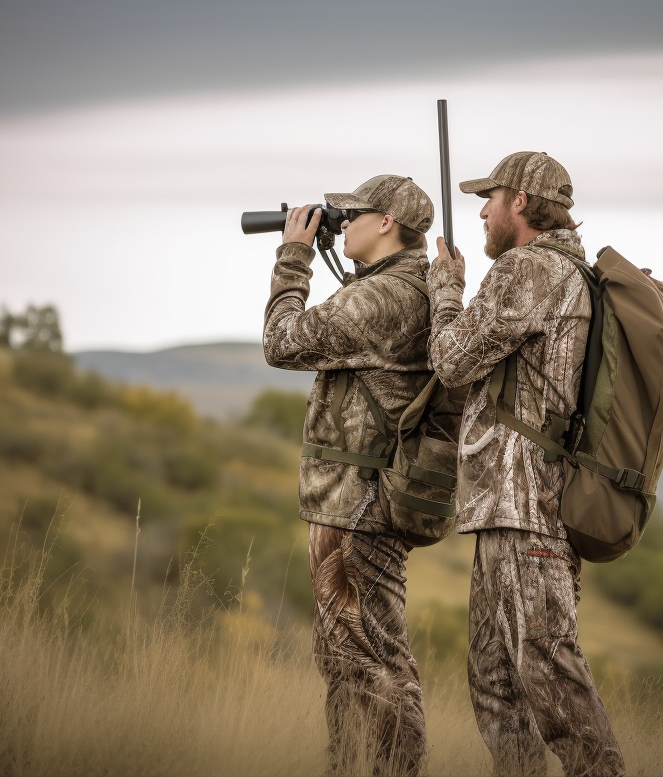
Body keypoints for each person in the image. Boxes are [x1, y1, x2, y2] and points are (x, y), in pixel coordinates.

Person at [427, 152, 626, 776]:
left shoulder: (529, 269)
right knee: (496, 682)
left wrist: (446, 290)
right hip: (507, 505)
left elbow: (453, 361)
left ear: (521, 202)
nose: (481, 211)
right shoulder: (561, 270)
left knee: (548, 673)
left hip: (526, 504)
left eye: (490, 198)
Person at [262, 174, 435, 776]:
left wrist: (295, 257)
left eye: (349, 212)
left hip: (357, 505)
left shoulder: (380, 299)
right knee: (347, 658)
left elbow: (281, 342)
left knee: (370, 660)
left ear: (387, 221)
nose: (340, 221)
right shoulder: (406, 287)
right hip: (360, 499)